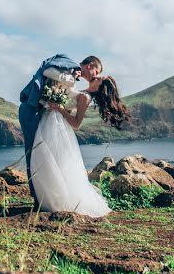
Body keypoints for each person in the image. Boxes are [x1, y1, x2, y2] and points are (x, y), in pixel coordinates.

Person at [29, 74, 130, 217]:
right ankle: (48, 199)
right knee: (47, 161)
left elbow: (76, 124)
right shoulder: (83, 92)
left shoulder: (85, 97)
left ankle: (57, 201)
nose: (97, 76)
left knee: (51, 161)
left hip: (59, 129)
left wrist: (60, 109)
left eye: (100, 79)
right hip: (51, 123)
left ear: (100, 87)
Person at [18, 54, 102, 203]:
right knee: (33, 153)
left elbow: (68, 105)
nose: (95, 76)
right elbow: (46, 71)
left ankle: (40, 197)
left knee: (40, 156)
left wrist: (62, 108)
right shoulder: (69, 67)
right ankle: (38, 197)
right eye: (96, 72)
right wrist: (71, 78)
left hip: (45, 117)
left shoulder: (78, 85)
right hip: (32, 111)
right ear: (90, 66)